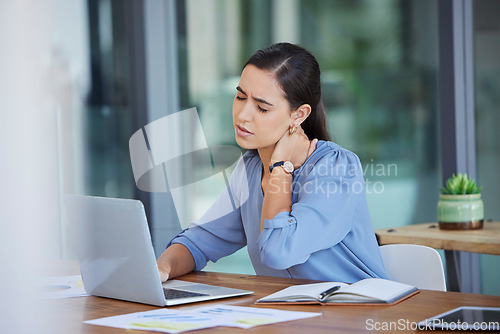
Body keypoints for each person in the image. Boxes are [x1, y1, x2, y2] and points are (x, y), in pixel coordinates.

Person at [157, 42, 387, 283]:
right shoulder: (250, 169)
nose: (242, 115)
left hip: (357, 312)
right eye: (240, 96)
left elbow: (278, 252)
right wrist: (161, 268)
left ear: (299, 115)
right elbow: (198, 242)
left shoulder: (336, 167)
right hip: (290, 315)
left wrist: (280, 169)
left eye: (261, 108)